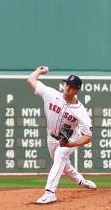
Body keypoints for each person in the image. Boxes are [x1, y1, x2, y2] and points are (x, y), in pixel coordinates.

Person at [27, 66, 96, 204]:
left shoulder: (80, 111)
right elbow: (30, 80)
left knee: (60, 156)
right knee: (63, 164)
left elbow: (88, 136)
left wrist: (71, 144)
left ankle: (50, 193)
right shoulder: (51, 94)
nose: (67, 88)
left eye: (71, 86)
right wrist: (39, 71)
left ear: (77, 90)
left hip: (70, 138)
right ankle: (81, 180)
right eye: (66, 84)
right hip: (51, 137)